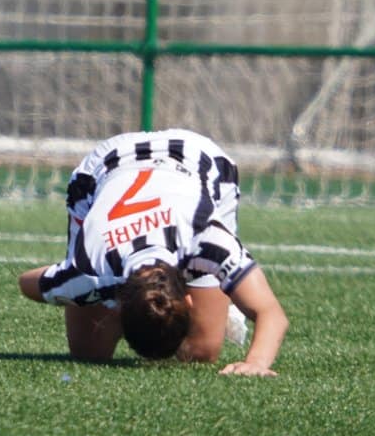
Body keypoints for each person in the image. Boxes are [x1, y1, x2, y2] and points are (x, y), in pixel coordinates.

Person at [16, 128, 288, 376]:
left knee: (201, 351)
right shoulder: (92, 266)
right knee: (88, 353)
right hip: (104, 167)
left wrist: (257, 363)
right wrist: (86, 283)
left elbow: (270, 313)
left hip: (198, 159)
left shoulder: (208, 239)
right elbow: (27, 283)